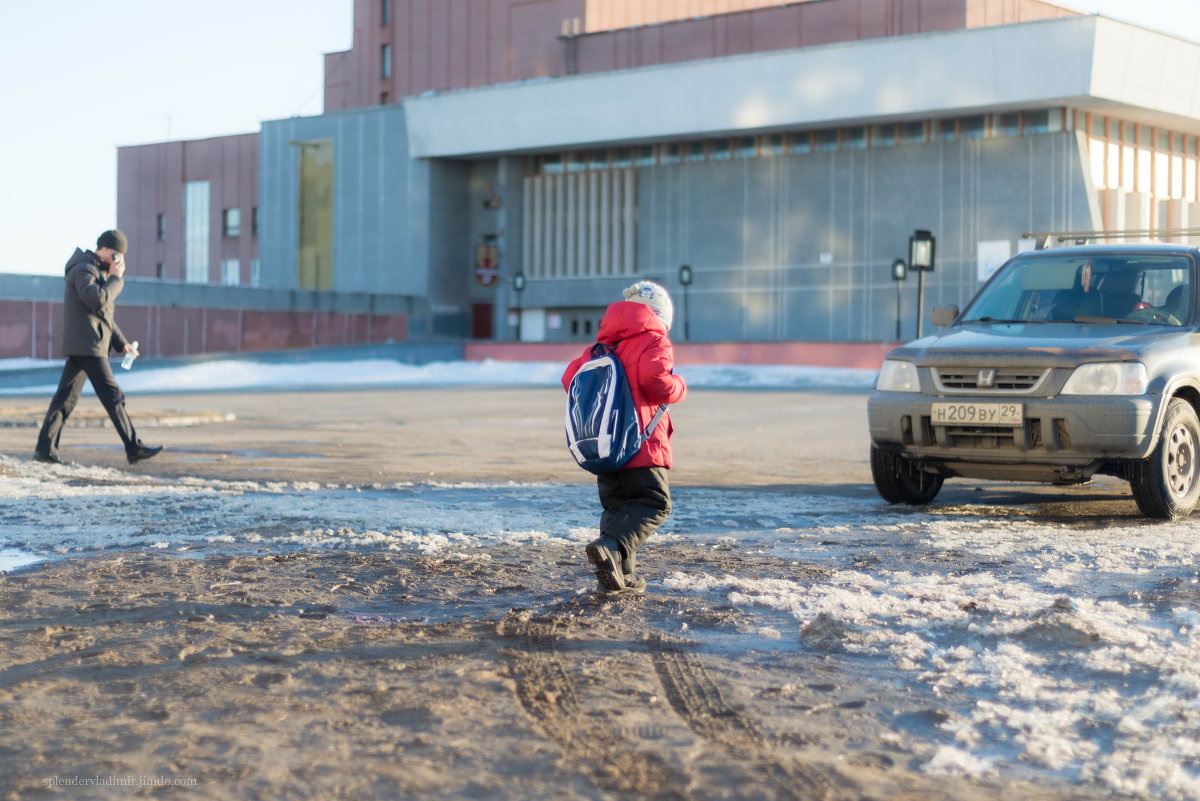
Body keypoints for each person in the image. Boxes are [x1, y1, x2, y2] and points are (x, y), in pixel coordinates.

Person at [561, 281, 688, 594]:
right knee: (654, 503)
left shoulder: (598, 349)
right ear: (661, 314)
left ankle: (622, 575)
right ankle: (611, 546)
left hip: (605, 443)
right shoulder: (654, 339)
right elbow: (655, 380)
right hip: (641, 443)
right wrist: (679, 386)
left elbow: (569, 379)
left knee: (617, 508)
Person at [33, 230, 162, 466]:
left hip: (87, 345)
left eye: (120, 258)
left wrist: (121, 342)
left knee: (64, 401)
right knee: (113, 397)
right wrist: (116, 279)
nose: (117, 262)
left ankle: (44, 449)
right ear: (103, 248)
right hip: (89, 346)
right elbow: (98, 300)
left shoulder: (93, 271)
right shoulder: (83, 270)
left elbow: (103, 315)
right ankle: (133, 447)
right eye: (115, 256)